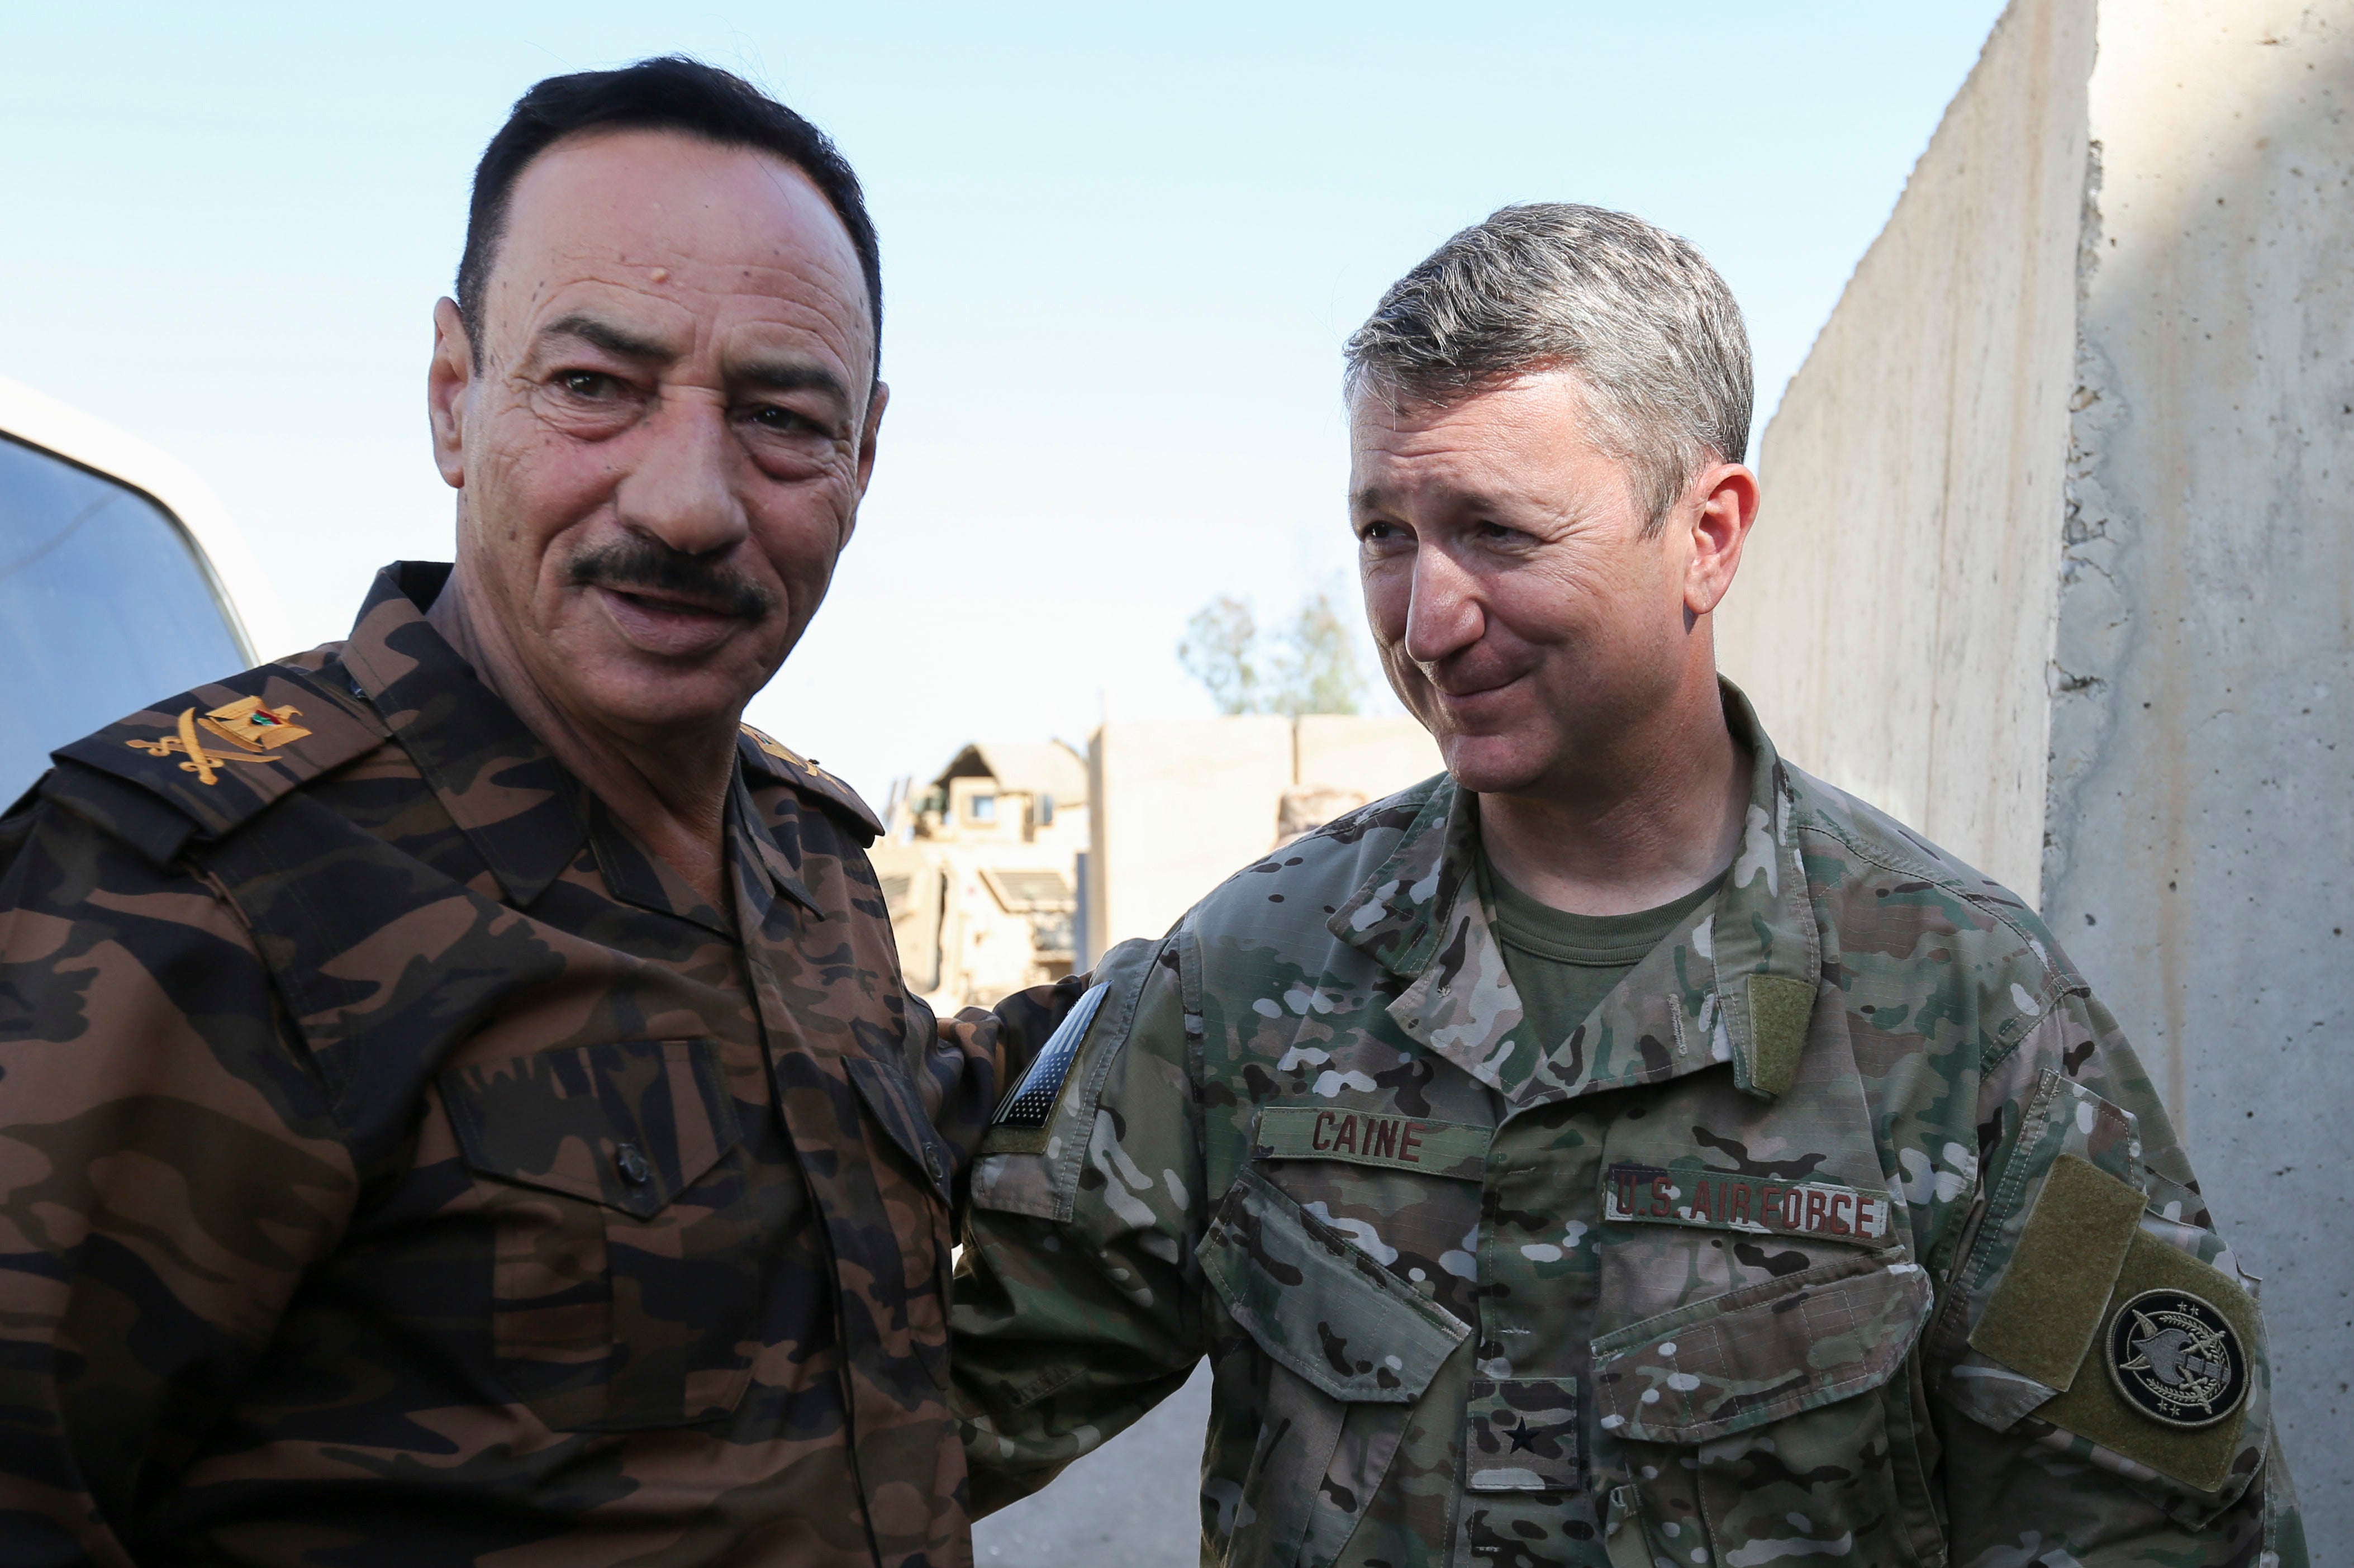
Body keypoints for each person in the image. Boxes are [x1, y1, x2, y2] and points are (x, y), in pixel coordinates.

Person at [952, 206, 2305, 1567]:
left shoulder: (1969, 1009)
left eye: (1497, 529)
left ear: (1707, 534)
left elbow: (2153, 1532)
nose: (1426, 621)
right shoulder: (1245, 971)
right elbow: (935, 1422)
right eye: (1383, 532)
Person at [0, 57, 1061, 1566]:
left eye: (781, 416)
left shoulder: (805, 865)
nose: (688, 500)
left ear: (863, 455)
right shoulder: (194, 895)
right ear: (454, 398)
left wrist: (1244, 964)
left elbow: (904, 1110)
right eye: (593, 387)